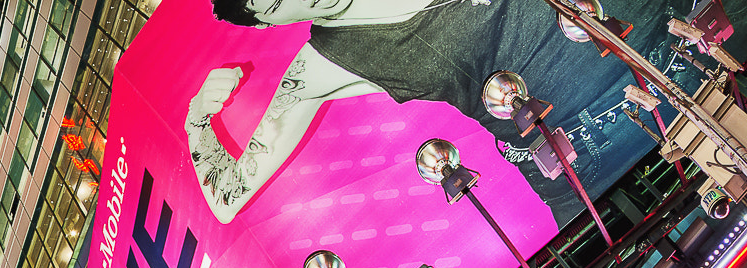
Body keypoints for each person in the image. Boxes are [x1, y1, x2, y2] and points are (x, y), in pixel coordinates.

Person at [192, 0, 675, 226]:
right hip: (590, 151)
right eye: (275, 1)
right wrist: (197, 120)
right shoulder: (331, 57)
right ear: (272, 22)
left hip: (679, 35)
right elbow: (229, 198)